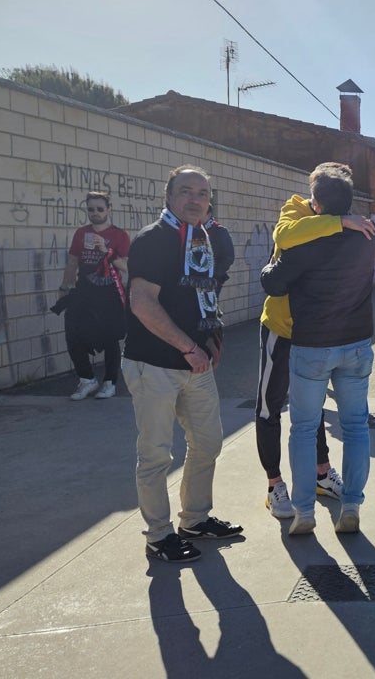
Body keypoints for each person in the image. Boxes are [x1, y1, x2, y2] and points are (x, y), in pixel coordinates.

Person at [123, 165, 241, 563]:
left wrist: (209, 337)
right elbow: (142, 303)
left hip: (196, 363)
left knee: (207, 443)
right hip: (155, 363)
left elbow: (202, 295)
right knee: (156, 455)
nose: (195, 199)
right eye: (186, 191)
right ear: (169, 196)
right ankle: (159, 536)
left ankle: (194, 520)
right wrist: (189, 348)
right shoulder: (154, 240)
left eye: (203, 194)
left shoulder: (200, 238)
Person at [260, 163, 375, 535]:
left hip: (312, 344)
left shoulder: (303, 242)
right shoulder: (367, 235)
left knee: (304, 426)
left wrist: (272, 266)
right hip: (356, 343)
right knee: (357, 425)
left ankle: (305, 510)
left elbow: (274, 283)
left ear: (316, 203)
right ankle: (353, 504)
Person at [59, 191, 130, 401]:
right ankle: (87, 379)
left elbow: (126, 267)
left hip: (109, 290)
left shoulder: (119, 235)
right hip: (84, 290)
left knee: (109, 338)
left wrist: (106, 250)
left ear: (109, 210)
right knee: (73, 333)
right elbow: (72, 261)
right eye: (91, 209)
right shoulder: (81, 233)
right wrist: (65, 287)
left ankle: (110, 382)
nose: (95, 213)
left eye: (100, 209)